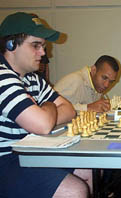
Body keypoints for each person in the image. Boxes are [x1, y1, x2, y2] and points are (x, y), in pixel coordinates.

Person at [0, 12, 93, 198]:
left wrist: (45, 111)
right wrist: (50, 106)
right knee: (75, 191)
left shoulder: (33, 79)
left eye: (43, 46)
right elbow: (42, 125)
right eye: (36, 45)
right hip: (7, 160)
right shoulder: (2, 77)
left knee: (88, 169)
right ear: (11, 45)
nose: (43, 53)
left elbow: (68, 110)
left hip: (31, 152)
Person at [54, 55, 119, 113]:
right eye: (104, 77)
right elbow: (52, 107)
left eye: (111, 81)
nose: (106, 85)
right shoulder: (75, 80)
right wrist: (88, 107)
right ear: (93, 70)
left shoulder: (97, 86)